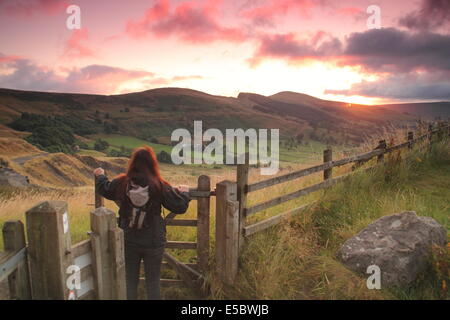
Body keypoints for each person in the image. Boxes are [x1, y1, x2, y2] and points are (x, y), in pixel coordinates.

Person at [93, 146, 190, 300]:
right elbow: (179, 206)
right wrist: (184, 193)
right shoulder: (159, 185)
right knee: (153, 282)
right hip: (153, 240)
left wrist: (101, 176)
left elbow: (105, 189)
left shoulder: (123, 182)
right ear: (152, 164)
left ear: (133, 163)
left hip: (129, 238)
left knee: (130, 281)